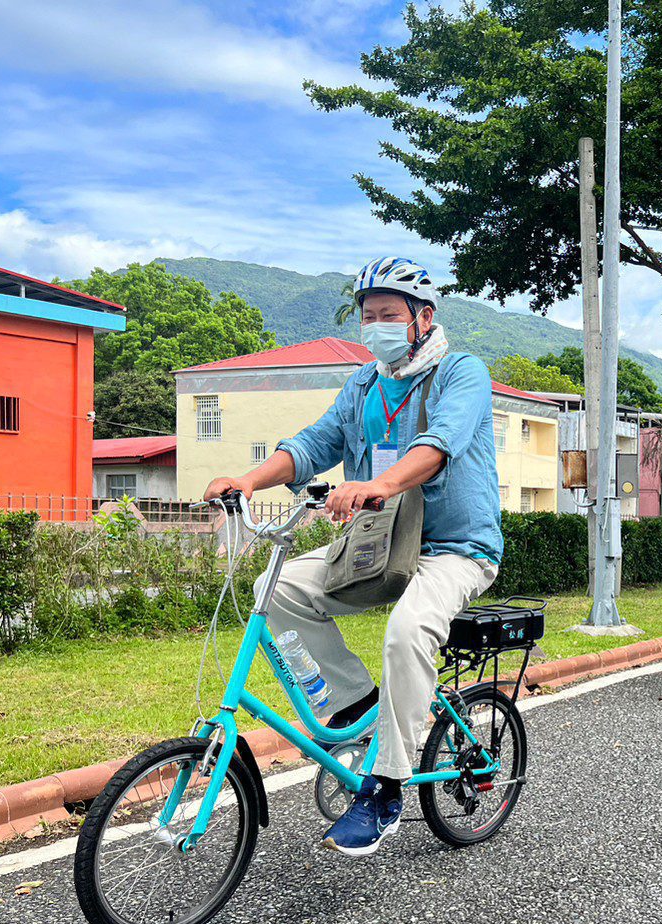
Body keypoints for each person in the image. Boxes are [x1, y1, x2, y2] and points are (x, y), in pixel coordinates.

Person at [202, 256, 502, 857]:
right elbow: (314, 443)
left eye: (389, 314)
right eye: (368, 317)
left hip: (455, 549)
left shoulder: (461, 373)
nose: (376, 326)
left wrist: (379, 484)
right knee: (274, 587)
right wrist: (250, 480)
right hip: (377, 546)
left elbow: (439, 444)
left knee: (408, 630)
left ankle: (386, 785)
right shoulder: (363, 384)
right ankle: (357, 705)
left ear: (423, 318)